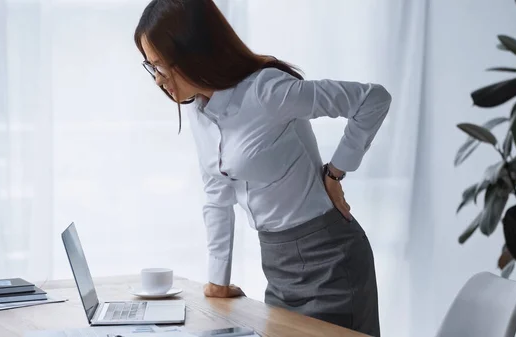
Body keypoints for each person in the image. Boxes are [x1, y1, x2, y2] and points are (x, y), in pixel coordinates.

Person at [134, 0, 391, 335]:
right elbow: (217, 195)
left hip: (330, 262)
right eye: (150, 67)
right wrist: (217, 280)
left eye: (161, 66)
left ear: (193, 50)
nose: (158, 80)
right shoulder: (201, 110)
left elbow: (372, 99)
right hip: (276, 265)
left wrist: (336, 172)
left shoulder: (266, 90)